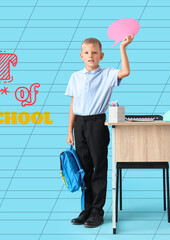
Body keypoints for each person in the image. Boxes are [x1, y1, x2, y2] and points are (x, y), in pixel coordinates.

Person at [64, 35, 133, 228]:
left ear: (101, 55)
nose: (91, 56)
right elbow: (73, 104)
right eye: (87, 53)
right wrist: (69, 130)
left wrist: (123, 47)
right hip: (79, 124)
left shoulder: (108, 74)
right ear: (81, 56)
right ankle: (86, 209)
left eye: (95, 52)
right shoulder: (75, 77)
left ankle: (97, 211)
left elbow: (126, 71)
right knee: (83, 168)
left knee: (98, 167)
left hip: (97, 123)